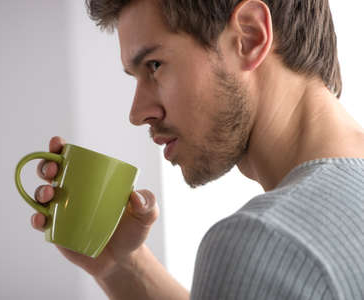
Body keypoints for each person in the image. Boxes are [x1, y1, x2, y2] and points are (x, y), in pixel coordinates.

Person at [29, 0, 364, 299]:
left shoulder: (264, 243)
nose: (137, 114)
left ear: (248, 37)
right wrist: (119, 264)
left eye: (155, 66)